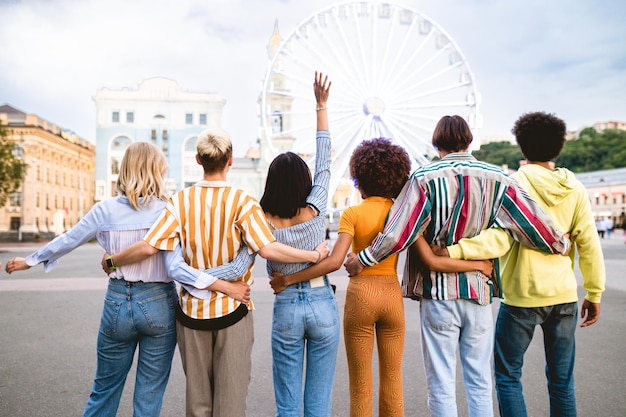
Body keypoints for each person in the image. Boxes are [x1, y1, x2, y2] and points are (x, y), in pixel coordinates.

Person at [344, 115, 571, 417]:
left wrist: (362, 260)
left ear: (436, 143)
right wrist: (560, 244)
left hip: (438, 295)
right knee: (479, 382)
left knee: (441, 383)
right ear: (469, 140)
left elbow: (398, 232)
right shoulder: (499, 179)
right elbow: (533, 223)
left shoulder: (423, 179)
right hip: (478, 291)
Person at [3, 142, 246, 417]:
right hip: (158, 304)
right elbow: (176, 264)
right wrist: (219, 284)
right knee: (149, 396)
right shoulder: (169, 209)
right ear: (157, 171)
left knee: (104, 390)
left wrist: (31, 260)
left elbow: (70, 238)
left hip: (117, 301)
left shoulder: (104, 209)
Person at [101, 128, 328, 417]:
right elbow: (268, 249)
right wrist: (313, 255)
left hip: (191, 313)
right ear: (230, 160)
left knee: (197, 403)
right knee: (230, 402)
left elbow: (149, 247)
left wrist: (112, 261)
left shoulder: (179, 202)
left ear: (198, 159)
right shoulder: (244, 202)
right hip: (233, 310)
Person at [271, 137, 494, 417]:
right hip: (391, 296)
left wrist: (291, 278)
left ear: (358, 177)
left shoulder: (352, 214)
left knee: (360, 383)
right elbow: (431, 259)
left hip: (360, 298)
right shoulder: (403, 212)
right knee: (392, 379)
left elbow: (335, 261)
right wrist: (478, 266)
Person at [440, 111, 605, 417]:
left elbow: (500, 239)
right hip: (565, 296)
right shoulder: (575, 188)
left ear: (521, 146)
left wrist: (456, 250)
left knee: (507, 376)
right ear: (558, 147)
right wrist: (594, 293)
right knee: (561, 382)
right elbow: (590, 245)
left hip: (522, 298)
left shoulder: (513, 183)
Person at [258, 72, 340, 416]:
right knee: (318, 403)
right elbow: (325, 160)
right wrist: (321, 106)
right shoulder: (316, 205)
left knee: (288, 404)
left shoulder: (261, 219)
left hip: (287, 305)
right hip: (322, 301)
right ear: (304, 180)